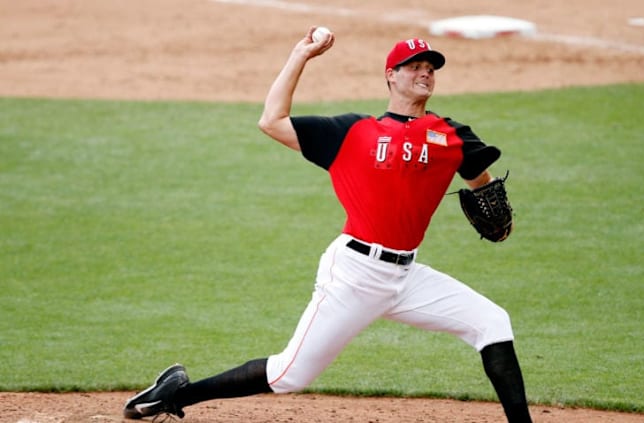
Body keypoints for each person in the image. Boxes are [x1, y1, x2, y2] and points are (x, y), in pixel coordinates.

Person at [123, 27, 533, 423]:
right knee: (289, 375)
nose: (425, 72)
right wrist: (301, 56)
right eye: (413, 65)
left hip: (406, 277)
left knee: (492, 322)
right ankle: (174, 393)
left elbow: (482, 181)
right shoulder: (352, 132)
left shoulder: (452, 135)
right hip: (354, 274)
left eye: (430, 66)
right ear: (391, 75)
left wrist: (491, 201)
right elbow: (272, 120)